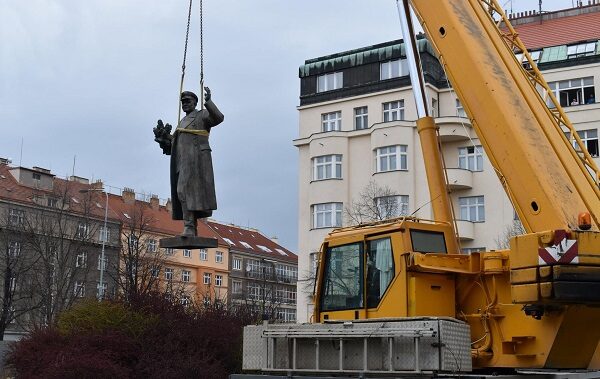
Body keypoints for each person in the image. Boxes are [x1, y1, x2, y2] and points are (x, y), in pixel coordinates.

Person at [154, 88, 224, 236]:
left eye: (188, 101)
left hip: (196, 161)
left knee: (186, 192)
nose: (185, 104)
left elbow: (218, 118)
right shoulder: (182, 121)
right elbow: (176, 145)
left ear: (195, 103)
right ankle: (190, 227)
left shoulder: (202, 115)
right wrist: (165, 140)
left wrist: (209, 102)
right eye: (183, 102)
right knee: (183, 193)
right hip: (182, 162)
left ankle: (190, 227)